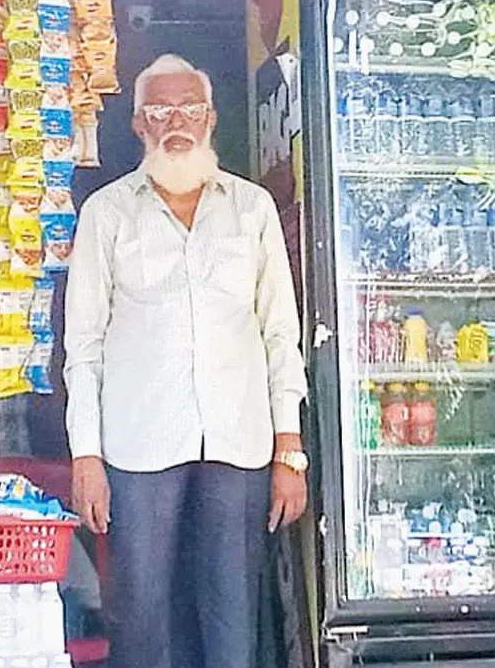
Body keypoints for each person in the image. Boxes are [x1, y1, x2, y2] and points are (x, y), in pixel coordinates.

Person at [63, 54, 310, 668]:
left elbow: (281, 333)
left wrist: (290, 453)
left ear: (211, 119)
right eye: (159, 110)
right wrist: (86, 457)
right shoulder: (107, 213)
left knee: (231, 618)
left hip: (241, 444)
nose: (176, 122)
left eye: (189, 109)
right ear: (139, 124)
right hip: (137, 446)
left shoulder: (251, 209)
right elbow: (83, 346)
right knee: (142, 619)